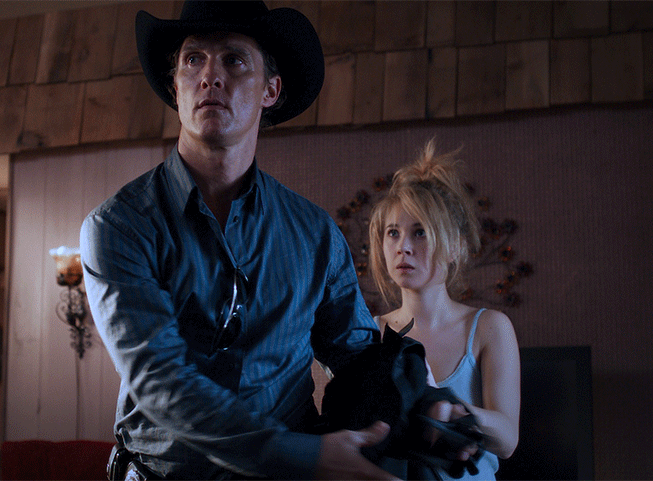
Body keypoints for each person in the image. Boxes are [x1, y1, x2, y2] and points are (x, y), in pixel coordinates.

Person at [81, 2, 474, 479]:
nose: (210, 76)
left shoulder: (315, 234)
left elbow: (357, 358)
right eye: (193, 60)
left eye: (233, 59)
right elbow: (160, 381)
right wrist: (303, 455)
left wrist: (424, 407)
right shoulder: (118, 226)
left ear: (271, 90)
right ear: (175, 86)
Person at [367, 140, 521, 479]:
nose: (403, 247)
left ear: (454, 247)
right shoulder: (368, 332)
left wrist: (450, 409)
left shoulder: (489, 327)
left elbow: (508, 439)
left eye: (420, 232)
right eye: (393, 233)